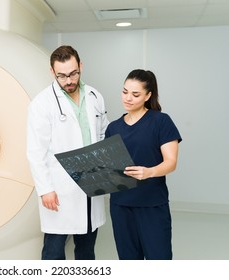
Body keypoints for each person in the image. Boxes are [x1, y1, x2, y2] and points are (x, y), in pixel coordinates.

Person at [26, 45, 109, 260]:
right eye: (62, 76)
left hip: (92, 180)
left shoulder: (94, 96)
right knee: (53, 251)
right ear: (52, 72)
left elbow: (103, 135)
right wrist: (45, 189)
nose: (69, 80)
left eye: (73, 73)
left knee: (87, 249)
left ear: (80, 66)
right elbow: (36, 151)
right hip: (60, 186)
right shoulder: (42, 103)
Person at [105, 69, 182, 260]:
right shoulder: (113, 128)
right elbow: (108, 167)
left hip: (152, 205)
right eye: (125, 92)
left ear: (148, 95)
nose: (128, 98)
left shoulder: (161, 122)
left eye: (135, 94)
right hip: (120, 205)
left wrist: (149, 172)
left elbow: (171, 163)